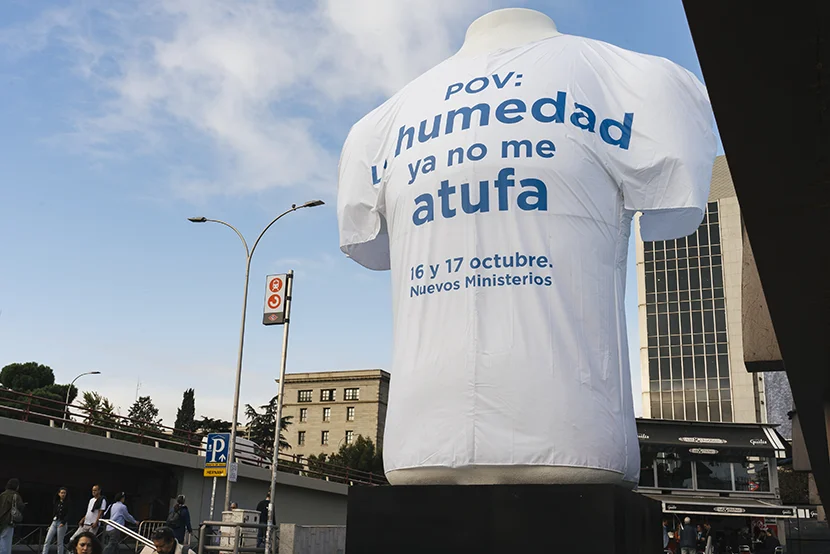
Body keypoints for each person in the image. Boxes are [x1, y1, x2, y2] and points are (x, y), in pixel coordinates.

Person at [0, 479, 25, 554]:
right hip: (9, 521)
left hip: (1, 521)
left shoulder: (2, 495)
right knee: (6, 544)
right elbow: (20, 506)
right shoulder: (15, 495)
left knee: (2, 542)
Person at [42, 487, 70, 554]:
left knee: (59, 542)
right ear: (59, 494)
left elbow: (69, 513)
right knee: (47, 540)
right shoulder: (56, 502)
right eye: (62, 493)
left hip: (61, 522)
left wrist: (63, 522)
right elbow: (54, 512)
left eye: (64, 493)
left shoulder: (68, 502)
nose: (63, 494)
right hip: (54, 522)